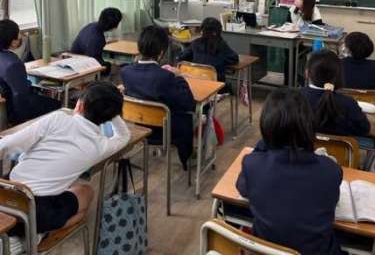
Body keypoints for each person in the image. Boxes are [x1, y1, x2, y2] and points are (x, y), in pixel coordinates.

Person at [0, 81, 130, 236]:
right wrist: (111, 111)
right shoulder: (101, 146)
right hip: (40, 214)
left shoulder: (57, 119)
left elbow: (5, 145)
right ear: (109, 117)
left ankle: (27, 233)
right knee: (87, 192)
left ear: (80, 105)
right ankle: (42, 233)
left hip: (6, 194)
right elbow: (124, 136)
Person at [236, 89, 344, 255]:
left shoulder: (253, 165)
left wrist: (265, 143)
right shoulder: (330, 170)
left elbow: (242, 188)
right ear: (310, 126)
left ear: (265, 125)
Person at [121, 25, 195, 169]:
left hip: (139, 125)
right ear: (161, 53)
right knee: (188, 116)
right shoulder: (165, 77)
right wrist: (179, 76)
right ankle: (187, 158)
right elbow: (188, 103)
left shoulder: (125, 72)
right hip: (164, 130)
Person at [0, 19, 60, 124]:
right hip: (18, 109)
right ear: (13, 41)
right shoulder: (13, 63)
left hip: (8, 105)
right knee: (57, 104)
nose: (20, 36)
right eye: (18, 34)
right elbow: (22, 93)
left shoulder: (5, 57)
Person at [300, 50, 370, 137]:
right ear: (338, 76)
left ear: (307, 73)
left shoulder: (293, 98)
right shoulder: (348, 103)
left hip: (301, 145)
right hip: (341, 146)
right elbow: (364, 129)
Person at [177, 17, 239, 84]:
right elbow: (234, 59)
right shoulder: (221, 45)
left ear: (202, 30)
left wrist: (196, 59)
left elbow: (181, 57)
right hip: (215, 86)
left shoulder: (196, 43)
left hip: (194, 83)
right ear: (218, 31)